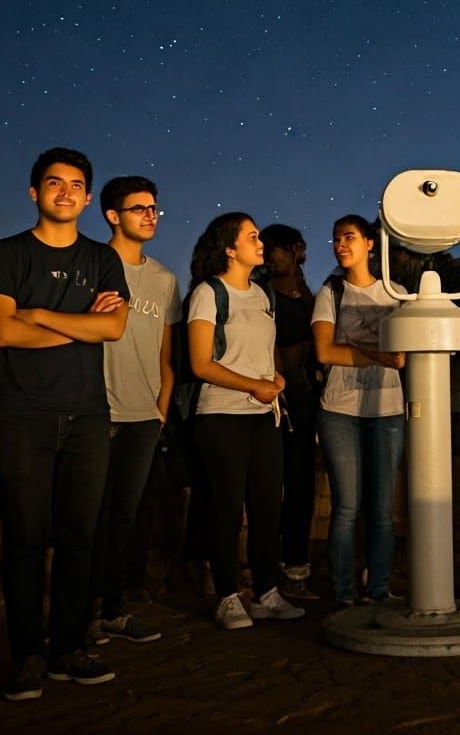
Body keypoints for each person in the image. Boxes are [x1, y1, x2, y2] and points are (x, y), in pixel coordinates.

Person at [0, 148, 129, 700]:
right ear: (34, 192)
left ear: (89, 198)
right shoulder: (5, 254)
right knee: (23, 539)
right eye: (53, 182)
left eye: (75, 185)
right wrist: (81, 323)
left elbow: (113, 331)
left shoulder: (103, 260)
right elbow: (2, 332)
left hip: (88, 415)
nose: (65, 191)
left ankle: (69, 647)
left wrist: (38, 314)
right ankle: (28, 656)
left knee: (78, 540)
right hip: (21, 414)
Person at [187, 213, 305, 630]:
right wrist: (252, 386)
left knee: (267, 506)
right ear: (230, 249)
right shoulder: (209, 293)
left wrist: (273, 378)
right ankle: (226, 595)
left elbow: (265, 352)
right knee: (225, 508)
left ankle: (266, 591)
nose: (262, 243)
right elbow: (201, 363)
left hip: (263, 415)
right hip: (222, 414)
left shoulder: (263, 295)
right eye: (252, 237)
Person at [88, 176, 181, 645]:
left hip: (144, 416)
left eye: (154, 208)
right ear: (112, 215)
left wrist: (161, 408)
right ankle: (77, 616)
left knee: (124, 518)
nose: (150, 215)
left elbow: (166, 356)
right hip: (94, 411)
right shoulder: (90, 263)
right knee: (86, 518)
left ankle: (112, 610)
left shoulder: (165, 280)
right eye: (139, 208)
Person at [311, 215, 407, 605]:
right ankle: (344, 592)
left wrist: (353, 348)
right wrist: (374, 353)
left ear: (370, 243)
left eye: (349, 237)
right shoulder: (330, 292)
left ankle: (379, 588)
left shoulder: (396, 293)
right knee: (346, 507)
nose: (340, 245)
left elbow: (400, 358)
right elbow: (324, 352)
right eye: (335, 239)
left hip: (386, 409)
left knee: (383, 509)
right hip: (339, 409)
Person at [253, 224, 321, 601]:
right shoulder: (260, 292)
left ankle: (295, 567)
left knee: (300, 483)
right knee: (265, 485)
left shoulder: (309, 296)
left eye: (277, 249)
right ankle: (265, 569)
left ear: (296, 250)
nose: (269, 255)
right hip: (270, 396)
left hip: (303, 398)